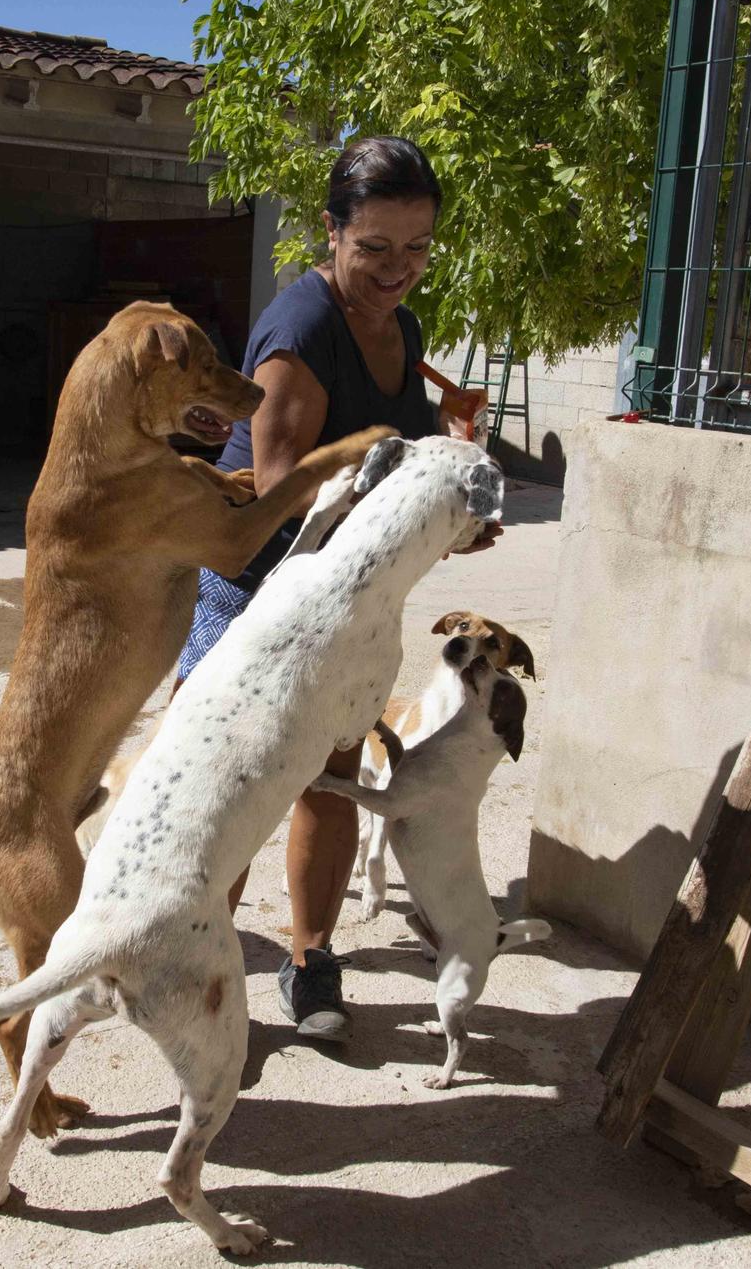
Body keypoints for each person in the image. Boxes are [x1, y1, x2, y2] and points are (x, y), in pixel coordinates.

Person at [175, 135, 498, 1041]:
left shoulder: (401, 326)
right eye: (376, 249)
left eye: (418, 249)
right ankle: (201, 959)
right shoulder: (301, 328)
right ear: (332, 232)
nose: (399, 270)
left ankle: (311, 957)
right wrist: (410, 512)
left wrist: (449, 513)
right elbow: (281, 490)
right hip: (255, 594)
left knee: (328, 779)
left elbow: (390, 455)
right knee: (227, 790)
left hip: (350, 600)